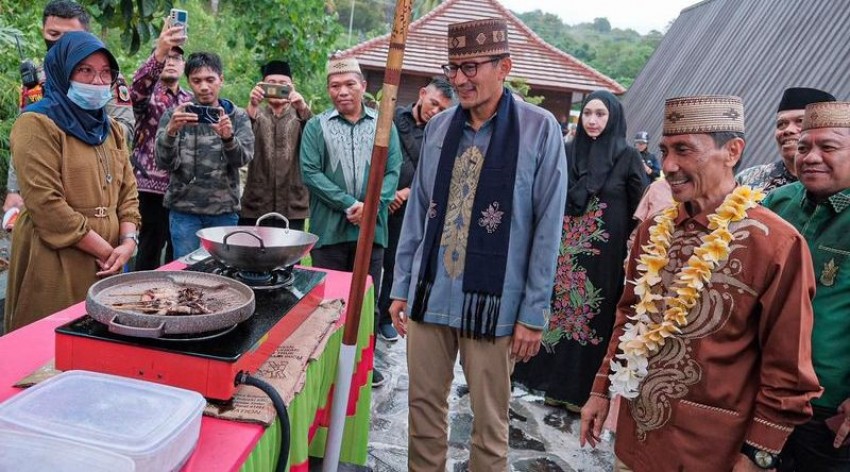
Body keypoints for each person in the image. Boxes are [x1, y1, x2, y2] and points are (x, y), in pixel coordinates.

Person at [580, 95, 822, 471]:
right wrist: (600, 391)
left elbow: (787, 368)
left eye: (684, 150)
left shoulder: (775, 243)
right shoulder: (652, 231)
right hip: (635, 440)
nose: (669, 165)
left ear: (733, 151)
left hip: (710, 451)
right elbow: (628, 317)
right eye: (664, 150)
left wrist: (759, 455)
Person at [387, 18, 568, 470]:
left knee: (489, 428)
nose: (461, 79)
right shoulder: (440, 127)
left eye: (472, 67)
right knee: (423, 414)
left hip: (495, 306)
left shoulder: (538, 128)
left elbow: (549, 227)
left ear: (504, 66)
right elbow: (419, 211)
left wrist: (533, 312)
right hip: (430, 295)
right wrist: (401, 284)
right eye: (454, 68)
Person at [512, 90, 648, 412]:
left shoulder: (627, 157)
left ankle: (579, 393)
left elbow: (639, 207)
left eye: (600, 114)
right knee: (556, 315)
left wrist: (630, 249)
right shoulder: (567, 150)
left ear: (613, 117)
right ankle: (545, 384)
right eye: (588, 113)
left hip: (603, 260)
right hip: (562, 254)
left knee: (589, 320)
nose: (593, 121)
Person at [4, 31, 141, 333]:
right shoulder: (37, 123)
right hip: (57, 258)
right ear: (63, 72)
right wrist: (108, 253)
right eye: (85, 70)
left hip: (112, 261)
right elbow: (46, 205)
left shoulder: (113, 129)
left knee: (103, 344)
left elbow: (128, 194)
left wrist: (129, 242)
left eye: (106, 73)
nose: (96, 81)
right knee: (50, 349)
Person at [299, 56, 401, 387]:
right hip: (329, 230)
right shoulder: (317, 126)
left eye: (349, 84)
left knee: (366, 301)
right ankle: (325, 368)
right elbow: (310, 172)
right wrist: (349, 204)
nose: (342, 91)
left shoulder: (383, 125)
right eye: (334, 86)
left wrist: (372, 206)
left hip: (371, 232)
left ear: (363, 86)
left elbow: (392, 171)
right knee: (327, 301)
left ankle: (361, 366)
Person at [763, 101, 850, 471]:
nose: (811, 157)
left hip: (829, 404)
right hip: (764, 390)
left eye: (828, 147)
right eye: (803, 147)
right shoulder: (777, 204)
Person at [5, 0, 134, 217]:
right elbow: (24, 137)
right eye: (54, 35)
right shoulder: (36, 80)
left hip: (93, 185)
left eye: (71, 35)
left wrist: (79, 139)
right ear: (44, 32)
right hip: (44, 185)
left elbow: (125, 131)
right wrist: (14, 188)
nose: (61, 43)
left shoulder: (103, 79)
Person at [376, 77, 455, 343]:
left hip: (409, 207)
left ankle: (385, 318)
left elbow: (438, 173)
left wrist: (406, 193)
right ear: (422, 94)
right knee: (371, 263)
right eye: (433, 103)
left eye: (443, 109)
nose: (435, 111)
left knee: (395, 263)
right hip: (378, 202)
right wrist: (386, 193)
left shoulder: (442, 133)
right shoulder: (392, 118)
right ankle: (365, 316)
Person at [156, 52, 254, 259]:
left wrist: (228, 138)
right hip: (184, 210)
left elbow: (243, 159)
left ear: (221, 79)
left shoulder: (237, 116)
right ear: (189, 82)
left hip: (223, 212)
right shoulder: (175, 115)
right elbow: (164, 162)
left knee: (223, 273)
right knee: (187, 274)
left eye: (210, 80)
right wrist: (171, 132)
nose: (204, 87)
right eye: (196, 80)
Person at [129, 21, 193, 270]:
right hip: (149, 187)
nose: (171, 61)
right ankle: (143, 301)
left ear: (184, 66)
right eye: (167, 57)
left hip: (180, 187)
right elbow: (137, 89)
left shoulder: (189, 99)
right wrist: (159, 51)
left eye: (176, 58)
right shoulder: (147, 95)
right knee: (149, 249)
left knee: (178, 251)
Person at [239, 60, 312, 230]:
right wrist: (252, 105)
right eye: (271, 84)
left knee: (288, 256)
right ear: (261, 86)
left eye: (283, 84)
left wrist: (302, 106)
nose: (277, 88)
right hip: (255, 204)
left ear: (292, 86)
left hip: (292, 205)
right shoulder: (255, 114)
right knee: (252, 254)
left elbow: (317, 139)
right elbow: (240, 140)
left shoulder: (301, 116)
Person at [737, 87, 835, 194]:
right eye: (781, 124)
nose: (788, 130)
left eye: (800, 121)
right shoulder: (748, 180)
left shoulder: (842, 180)